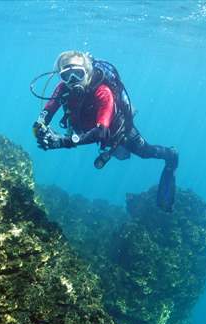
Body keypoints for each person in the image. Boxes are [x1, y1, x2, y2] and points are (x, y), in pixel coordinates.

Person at [31, 50, 179, 211]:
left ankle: (171, 155)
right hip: (87, 132)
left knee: (144, 152)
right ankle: (116, 151)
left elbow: (101, 132)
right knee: (121, 155)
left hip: (118, 132)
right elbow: (48, 111)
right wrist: (38, 128)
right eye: (66, 75)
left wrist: (62, 142)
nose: (72, 81)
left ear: (88, 72)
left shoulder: (103, 92)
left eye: (78, 74)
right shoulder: (62, 88)